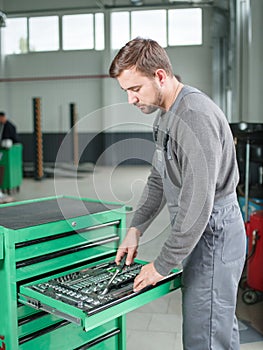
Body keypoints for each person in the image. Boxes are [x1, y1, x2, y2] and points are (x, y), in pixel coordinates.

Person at [109, 37, 246, 350]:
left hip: (213, 234)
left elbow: (198, 205)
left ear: (160, 76)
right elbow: (159, 178)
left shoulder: (194, 117)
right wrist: (135, 228)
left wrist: (162, 264)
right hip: (199, 232)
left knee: (205, 336)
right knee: (216, 325)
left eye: (135, 89)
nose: (130, 99)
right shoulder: (165, 116)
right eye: (126, 91)